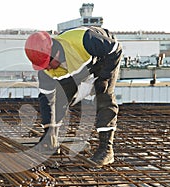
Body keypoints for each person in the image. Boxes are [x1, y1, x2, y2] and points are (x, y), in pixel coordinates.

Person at [24, 26, 122, 167]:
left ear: (55, 52)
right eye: (44, 67)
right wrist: (48, 131)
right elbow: (46, 99)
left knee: (103, 97)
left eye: (48, 64)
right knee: (59, 99)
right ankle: (52, 142)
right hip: (77, 68)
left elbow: (115, 49)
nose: (48, 69)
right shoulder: (46, 71)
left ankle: (106, 149)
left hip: (103, 59)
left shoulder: (85, 40)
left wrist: (104, 78)